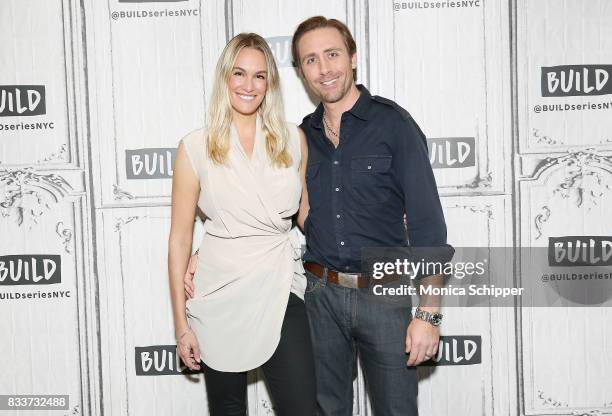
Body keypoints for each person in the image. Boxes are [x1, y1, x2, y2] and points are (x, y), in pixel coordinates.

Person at [185, 17, 453, 416]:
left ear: (353, 58)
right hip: (320, 295)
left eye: (332, 55)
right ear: (301, 71)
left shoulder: (392, 124)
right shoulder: (297, 137)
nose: (324, 69)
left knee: (397, 410)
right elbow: (269, 207)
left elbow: (429, 225)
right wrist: (208, 249)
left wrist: (428, 314)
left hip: (384, 294)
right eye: (311, 60)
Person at [168, 32, 316, 416]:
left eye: (259, 76)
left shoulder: (292, 139)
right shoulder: (195, 148)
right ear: (224, 78)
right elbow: (180, 240)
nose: (248, 85)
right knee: (228, 408)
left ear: (270, 83)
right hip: (219, 290)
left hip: (280, 283)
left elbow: (306, 216)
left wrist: (374, 213)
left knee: (301, 407)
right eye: (239, 73)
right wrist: (181, 324)